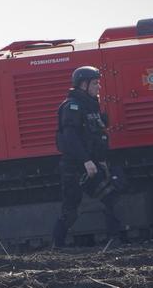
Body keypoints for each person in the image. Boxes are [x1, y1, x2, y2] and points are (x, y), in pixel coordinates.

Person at [52, 66, 122, 248]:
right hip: (75, 167)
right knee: (70, 211)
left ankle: (115, 241)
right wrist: (86, 161)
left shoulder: (90, 105)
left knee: (110, 197)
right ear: (84, 85)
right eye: (95, 83)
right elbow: (70, 138)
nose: (99, 87)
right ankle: (55, 248)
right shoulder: (72, 107)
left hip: (92, 164)